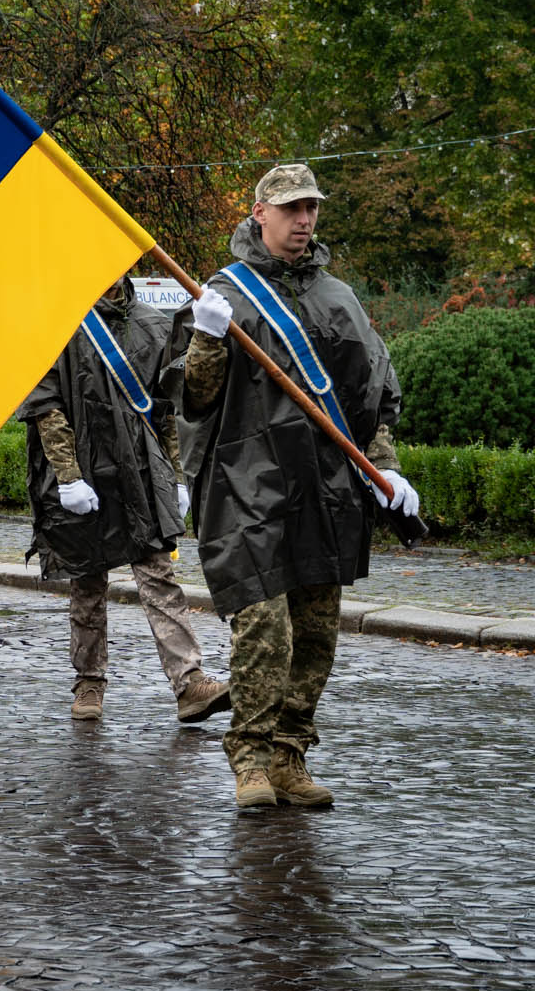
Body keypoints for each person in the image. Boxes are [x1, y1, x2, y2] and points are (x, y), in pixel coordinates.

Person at [175, 164, 413, 810]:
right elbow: (194, 399)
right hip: (246, 491)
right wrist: (206, 337)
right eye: (290, 209)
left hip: (326, 491)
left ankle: (289, 755)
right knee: (264, 630)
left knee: (314, 635)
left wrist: (385, 466)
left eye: (310, 208)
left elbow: (371, 394)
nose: (303, 220)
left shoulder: (339, 298)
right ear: (259, 212)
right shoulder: (225, 294)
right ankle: (248, 758)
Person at [20, 277, 231, 724]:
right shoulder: (59, 325)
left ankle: (189, 681)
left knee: (159, 573)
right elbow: (46, 407)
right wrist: (68, 478)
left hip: (140, 472)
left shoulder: (153, 324)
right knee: (88, 581)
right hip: (84, 471)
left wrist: (175, 476)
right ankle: (89, 681)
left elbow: (166, 408)